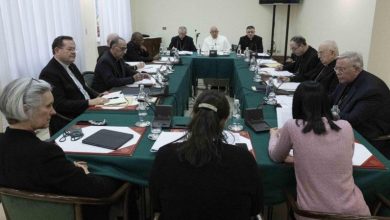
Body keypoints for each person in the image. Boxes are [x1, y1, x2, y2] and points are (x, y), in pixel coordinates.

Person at [0, 78, 123, 220]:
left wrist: (68, 168)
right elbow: (98, 191)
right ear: (26, 110)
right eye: (48, 106)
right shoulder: (45, 154)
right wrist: (113, 175)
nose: (53, 112)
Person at [150, 90, 263, 220]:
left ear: (193, 115)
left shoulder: (165, 155)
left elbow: (157, 204)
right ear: (224, 121)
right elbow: (255, 208)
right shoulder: (244, 159)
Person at [269, 81, 370, 218]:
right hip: (356, 213)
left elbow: (276, 156)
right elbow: (343, 157)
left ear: (297, 103)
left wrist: (274, 136)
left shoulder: (292, 126)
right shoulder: (345, 126)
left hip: (312, 214)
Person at [40, 36, 107, 135]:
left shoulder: (71, 65)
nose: (74, 52)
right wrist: (89, 102)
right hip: (71, 119)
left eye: (74, 49)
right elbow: (59, 105)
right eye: (70, 49)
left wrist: (99, 95)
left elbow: (83, 88)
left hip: (89, 110)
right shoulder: (49, 73)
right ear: (57, 50)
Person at [331, 51, 390, 158]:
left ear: (357, 69)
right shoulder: (346, 80)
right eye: (336, 68)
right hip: (347, 133)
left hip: (370, 144)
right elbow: (330, 100)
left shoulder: (372, 90)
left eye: (341, 69)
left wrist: (326, 112)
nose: (337, 72)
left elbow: (352, 120)